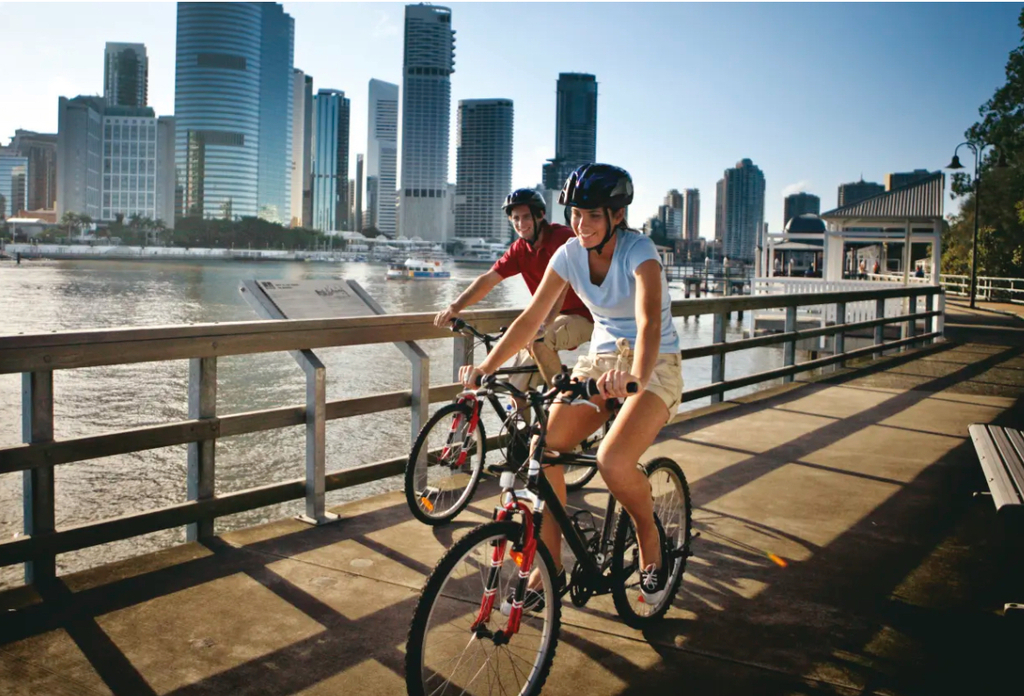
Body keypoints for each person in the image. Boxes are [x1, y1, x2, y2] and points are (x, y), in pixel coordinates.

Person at [459, 164, 682, 605]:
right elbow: (532, 320)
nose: (581, 225)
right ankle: (552, 567)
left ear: (617, 215)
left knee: (613, 462)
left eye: (593, 216)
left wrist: (635, 375)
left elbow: (648, 323)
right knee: (545, 450)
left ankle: (649, 536)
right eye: (576, 214)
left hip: (653, 364)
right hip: (599, 363)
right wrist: (485, 368)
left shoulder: (641, 253)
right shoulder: (569, 253)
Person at [435, 188, 593, 391]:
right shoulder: (520, 249)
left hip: (583, 316)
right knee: (515, 387)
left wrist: (543, 323)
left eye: (526, 217)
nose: (520, 224)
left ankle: (565, 404)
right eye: (515, 218)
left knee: (540, 341)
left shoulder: (562, 238)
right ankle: (528, 422)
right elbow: (488, 279)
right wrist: (455, 307)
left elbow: (561, 288)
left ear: (540, 215)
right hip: (546, 320)